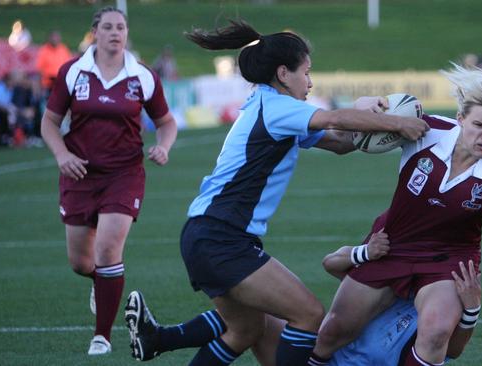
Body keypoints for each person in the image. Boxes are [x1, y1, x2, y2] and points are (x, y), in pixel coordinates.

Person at [123, 19, 429, 366]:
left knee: (245, 329)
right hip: (221, 237)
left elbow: (341, 143)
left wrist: (372, 112)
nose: (311, 83)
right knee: (309, 314)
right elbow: (333, 119)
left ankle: (157, 338)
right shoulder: (276, 107)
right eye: (307, 73)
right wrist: (398, 123)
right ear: (284, 73)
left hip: (209, 235)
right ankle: (159, 338)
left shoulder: (272, 106)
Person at [310, 63, 482, 366]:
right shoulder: (427, 131)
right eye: (479, 125)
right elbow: (363, 120)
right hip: (391, 246)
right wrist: (367, 104)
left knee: (435, 335)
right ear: (461, 119)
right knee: (331, 332)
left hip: (448, 262)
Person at [122, 226, 480, 365]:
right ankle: (160, 339)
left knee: (255, 319)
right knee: (253, 311)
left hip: (317, 357)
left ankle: (160, 339)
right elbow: (333, 263)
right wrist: (366, 253)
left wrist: (471, 308)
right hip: (308, 354)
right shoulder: (394, 278)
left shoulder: (437, 310)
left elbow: (453, 348)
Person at [39, 6, 178, 356]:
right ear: (95, 33)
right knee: (81, 263)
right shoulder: (73, 72)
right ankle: (101, 280)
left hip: (125, 174)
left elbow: (167, 122)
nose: (115, 33)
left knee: (108, 250)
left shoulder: (142, 76)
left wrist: (163, 147)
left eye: (121, 27)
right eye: (108, 27)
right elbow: (49, 123)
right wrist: (62, 156)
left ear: (126, 34)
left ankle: (101, 337)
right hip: (79, 173)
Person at [36, 30, 73, 96]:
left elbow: (69, 65)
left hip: (61, 80)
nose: (55, 39)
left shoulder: (63, 49)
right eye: (53, 37)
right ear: (49, 38)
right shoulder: (44, 50)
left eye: (57, 37)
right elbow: (39, 69)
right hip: (48, 82)